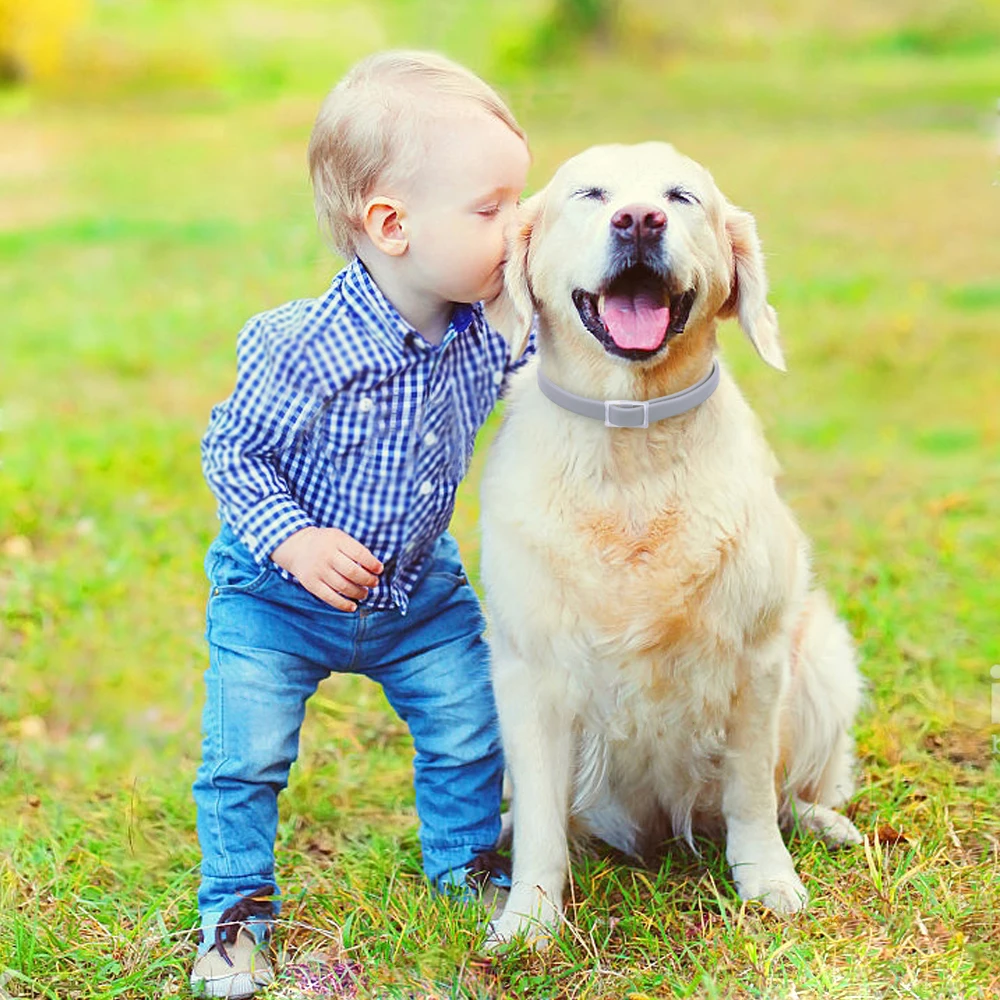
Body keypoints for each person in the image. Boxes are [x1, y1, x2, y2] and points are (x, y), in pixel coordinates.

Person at [190, 50, 533, 998]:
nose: (522, 226)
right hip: (278, 594)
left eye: (523, 199)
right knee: (245, 754)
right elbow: (233, 452)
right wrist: (293, 540)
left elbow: (566, 365)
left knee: (470, 723)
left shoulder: (490, 330)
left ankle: (466, 867)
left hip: (416, 591)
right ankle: (235, 915)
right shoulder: (298, 344)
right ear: (391, 225)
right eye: (492, 207)